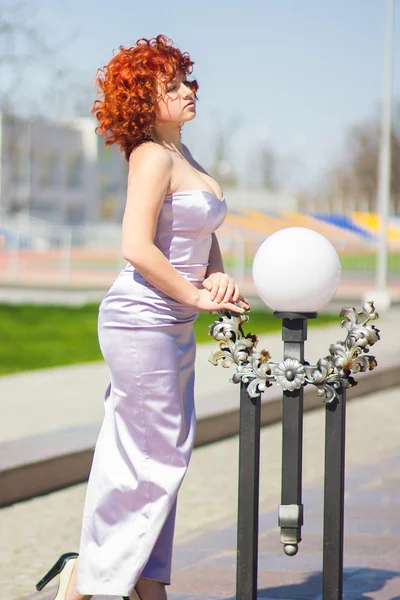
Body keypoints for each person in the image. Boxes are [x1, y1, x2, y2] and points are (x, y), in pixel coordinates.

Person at [35, 34, 249, 600]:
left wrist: (217, 277)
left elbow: (200, 235)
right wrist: (197, 296)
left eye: (186, 79)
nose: (187, 91)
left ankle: (141, 585)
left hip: (169, 324)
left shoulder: (183, 154)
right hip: (142, 320)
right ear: (141, 99)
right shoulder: (152, 156)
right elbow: (136, 245)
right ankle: (93, 580)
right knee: (152, 460)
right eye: (171, 85)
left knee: (150, 457)